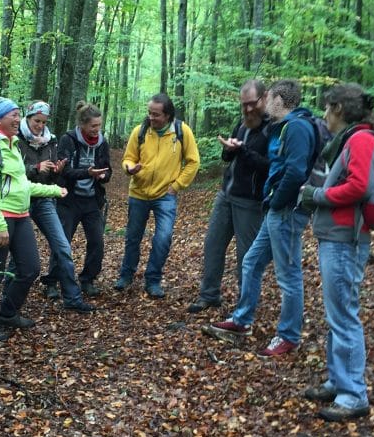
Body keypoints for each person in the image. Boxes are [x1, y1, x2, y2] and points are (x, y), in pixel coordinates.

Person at [203, 79, 317, 356]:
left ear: (277, 99)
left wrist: (276, 201)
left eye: (268, 99)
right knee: (251, 261)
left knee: (288, 276)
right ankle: (242, 320)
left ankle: (288, 335)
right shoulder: (284, 127)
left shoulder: (298, 127)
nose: (264, 105)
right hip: (275, 209)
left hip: (286, 210)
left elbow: (295, 172)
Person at [299, 84, 374, 421]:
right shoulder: (351, 139)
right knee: (336, 315)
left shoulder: (361, 139)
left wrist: (317, 195)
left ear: (338, 108)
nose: (324, 115)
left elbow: (359, 186)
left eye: (327, 109)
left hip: (346, 240)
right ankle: (339, 381)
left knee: (344, 316)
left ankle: (354, 395)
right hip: (337, 237)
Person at [0, 97, 67, 342]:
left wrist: (54, 190)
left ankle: (8, 313)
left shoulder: (11, 145)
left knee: (30, 268)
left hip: (20, 215)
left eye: (17, 114)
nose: (16, 119)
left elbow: (22, 186)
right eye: (12, 115)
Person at [187, 80, 270, 313]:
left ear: (264, 99)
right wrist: (230, 149)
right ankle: (209, 295)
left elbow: (268, 166)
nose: (248, 109)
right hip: (226, 195)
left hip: (250, 202)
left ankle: (246, 306)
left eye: (252, 104)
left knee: (247, 256)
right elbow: (227, 158)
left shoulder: (272, 128)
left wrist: (243, 151)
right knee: (213, 245)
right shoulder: (241, 125)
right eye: (244, 104)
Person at [114, 93, 200, 298]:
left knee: (163, 237)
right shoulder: (140, 131)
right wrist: (129, 168)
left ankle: (152, 280)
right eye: (149, 113)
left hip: (165, 196)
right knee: (133, 237)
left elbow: (193, 161)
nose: (151, 118)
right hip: (138, 193)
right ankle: (126, 275)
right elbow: (128, 158)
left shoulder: (181, 131)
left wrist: (177, 186)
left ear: (168, 115)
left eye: (156, 114)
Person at [15, 100, 95, 313]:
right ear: (28, 117)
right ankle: (10, 303)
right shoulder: (15, 140)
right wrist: (35, 168)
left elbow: (52, 177)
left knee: (62, 246)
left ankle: (72, 298)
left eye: (43, 121)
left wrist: (57, 171)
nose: (40, 125)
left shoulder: (51, 141)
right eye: (36, 120)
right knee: (17, 257)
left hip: (44, 199)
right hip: (19, 200)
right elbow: (12, 173)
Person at [53, 101, 112, 297]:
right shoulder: (68, 140)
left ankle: (87, 279)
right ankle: (52, 281)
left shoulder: (102, 142)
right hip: (69, 200)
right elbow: (66, 171)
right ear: (82, 125)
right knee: (63, 242)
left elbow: (108, 169)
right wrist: (88, 173)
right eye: (93, 126)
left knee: (97, 241)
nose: (96, 130)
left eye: (99, 126)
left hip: (92, 201)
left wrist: (104, 175)